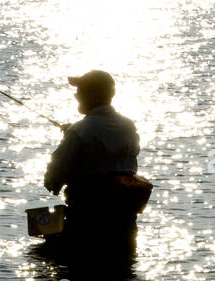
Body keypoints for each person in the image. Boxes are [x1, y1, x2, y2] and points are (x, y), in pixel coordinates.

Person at [43, 70, 150, 251]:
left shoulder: (79, 131)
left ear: (91, 96)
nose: (76, 96)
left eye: (80, 92)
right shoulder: (129, 126)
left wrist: (53, 182)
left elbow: (53, 178)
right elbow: (128, 153)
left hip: (87, 221)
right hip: (125, 220)